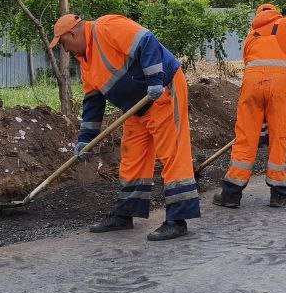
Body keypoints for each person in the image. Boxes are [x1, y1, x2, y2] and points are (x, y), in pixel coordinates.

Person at [49, 13, 198, 241]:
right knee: (132, 157)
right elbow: (93, 103)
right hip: (136, 106)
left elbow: (147, 41)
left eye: (64, 43)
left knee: (172, 154)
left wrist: (155, 80)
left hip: (163, 92)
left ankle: (177, 220)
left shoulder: (107, 27)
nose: (65, 50)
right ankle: (124, 214)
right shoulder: (86, 62)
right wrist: (86, 139)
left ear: (72, 33)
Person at [212, 4, 286, 209]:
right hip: (281, 88)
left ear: (259, 16)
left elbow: (253, 65)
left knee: (245, 138)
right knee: (279, 137)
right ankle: (278, 194)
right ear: (276, 13)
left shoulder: (251, 35)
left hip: (252, 86)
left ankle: (231, 194)